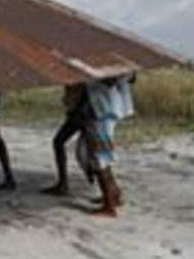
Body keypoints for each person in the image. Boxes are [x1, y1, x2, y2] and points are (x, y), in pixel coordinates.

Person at [79, 75, 135, 217]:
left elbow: (111, 80)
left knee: (100, 159)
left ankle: (109, 207)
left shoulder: (110, 68)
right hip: (105, 109)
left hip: (102, 111)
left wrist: (89, 73)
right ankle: (113, 195)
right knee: (103, 158)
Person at [42, 83, 89, 196]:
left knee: (59, 142)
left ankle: (63, 184)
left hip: (80, 112)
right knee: (91, 150)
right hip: (82, 111)